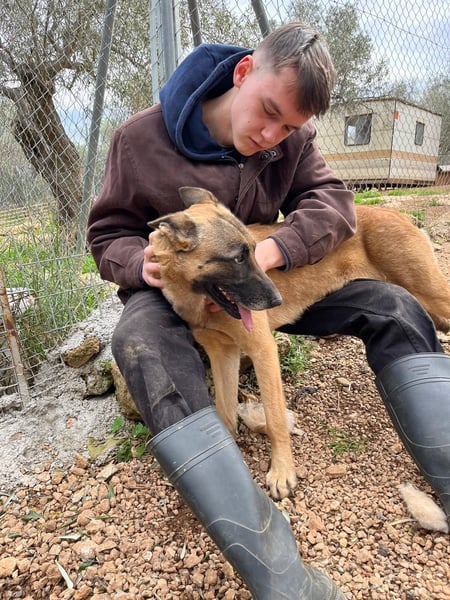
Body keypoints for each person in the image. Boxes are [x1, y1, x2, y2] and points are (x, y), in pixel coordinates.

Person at [87, 22, 450, 599]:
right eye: (269, 113)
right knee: (142, 343)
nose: (271, 135)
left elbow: (333, 204)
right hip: (176, 285)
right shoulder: (138, 139)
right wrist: (138, 265)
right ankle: (271, 564)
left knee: (396, 305)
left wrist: (276, 250)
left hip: (269, 279)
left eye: (288, 128)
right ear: (243, 73)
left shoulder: (291, 138)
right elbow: (107, 233)